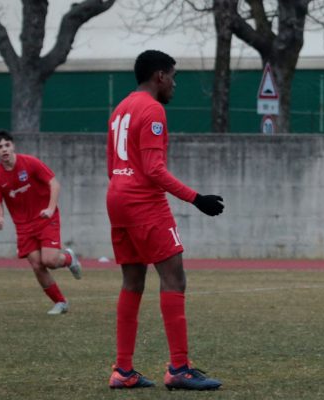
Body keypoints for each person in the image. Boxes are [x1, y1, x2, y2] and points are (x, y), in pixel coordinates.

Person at [106, 49, 223, 391]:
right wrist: (196, 198)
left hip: (117, 197)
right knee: (174, 278)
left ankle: (123, 371)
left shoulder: (119, 110)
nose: (175, 83)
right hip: (144, 201)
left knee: (132, 281)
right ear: (159, 76)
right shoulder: (152, 109)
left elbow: (112, 163)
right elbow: (154, 170)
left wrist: (122, 192)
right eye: (173, 76)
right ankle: (179, 368)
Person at [0, 130, 82, 315]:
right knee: (37, 265)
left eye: (7, 145)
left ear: (13, 146)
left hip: (46, 218)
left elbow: (54, 184)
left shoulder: (29, 163)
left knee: (50, 260)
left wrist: (50, 208)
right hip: (23, 227)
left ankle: (69, 259)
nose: (4, 149)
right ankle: (60, 302)